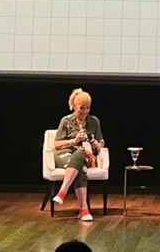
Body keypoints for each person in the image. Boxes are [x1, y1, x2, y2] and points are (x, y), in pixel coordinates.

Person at [51, 88, 105, 221]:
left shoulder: (94, 121)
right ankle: (84, 210)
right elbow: (56, 144)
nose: (85, 111)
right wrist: (74, 141)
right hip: (65, 155)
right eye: (82, 108)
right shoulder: (66, 121)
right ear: (74, 107)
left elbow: (101, 141)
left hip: (86, 154)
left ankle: (62, 191)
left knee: (81, 155)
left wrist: (97, 144)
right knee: (80, 165)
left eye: (88, 108)